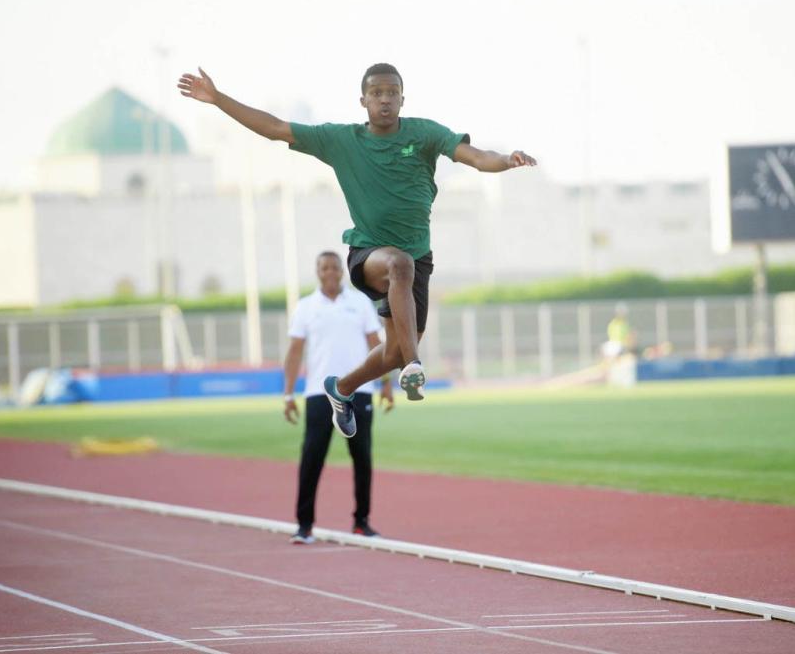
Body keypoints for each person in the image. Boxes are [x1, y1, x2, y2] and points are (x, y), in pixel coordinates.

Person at [179, 63, 536, 437]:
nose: (385, 99)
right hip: (370, 254)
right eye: (377, 93)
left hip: (419, 259)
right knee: (398, 270)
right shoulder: (341, 139)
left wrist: (506, 161)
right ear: (363, 100)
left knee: (392, 349)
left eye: (392, 93)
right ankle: (413, 366)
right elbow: (274, 129)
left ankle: (342, 388)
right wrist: (217, 99)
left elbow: (477, 157)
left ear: (402, 98)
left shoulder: (425, 133)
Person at [282, 251, 394, 544]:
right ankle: (304, 525)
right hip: (319, 392)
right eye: (324, 267)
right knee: (311, 458)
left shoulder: (360, 303)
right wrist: (288, 394)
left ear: (341, 271)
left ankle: (361, 522)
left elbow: (376, 343)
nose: (330, 271)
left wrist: (385, 383)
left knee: (362, 457)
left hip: (358, 390)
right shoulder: (306, 307)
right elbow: (295, 352)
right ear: (317, 271)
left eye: (334, 267)